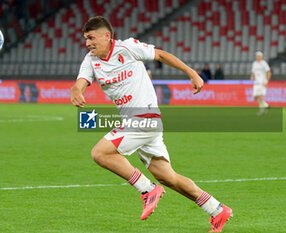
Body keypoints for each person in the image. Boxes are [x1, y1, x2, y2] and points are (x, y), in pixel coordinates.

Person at [70, 16, 232, 232]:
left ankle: (147, 189)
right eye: (85, 39)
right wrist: (76, 90)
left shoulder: (128, 48)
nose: (88, 43)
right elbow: (81, 82)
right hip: (136, 123)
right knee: (168, 177)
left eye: (91, 38)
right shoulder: (90, 60)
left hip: (144, 118)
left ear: (107, 36)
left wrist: (192, 73)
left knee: (100, 153)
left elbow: (161, 55)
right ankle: (217, 209)